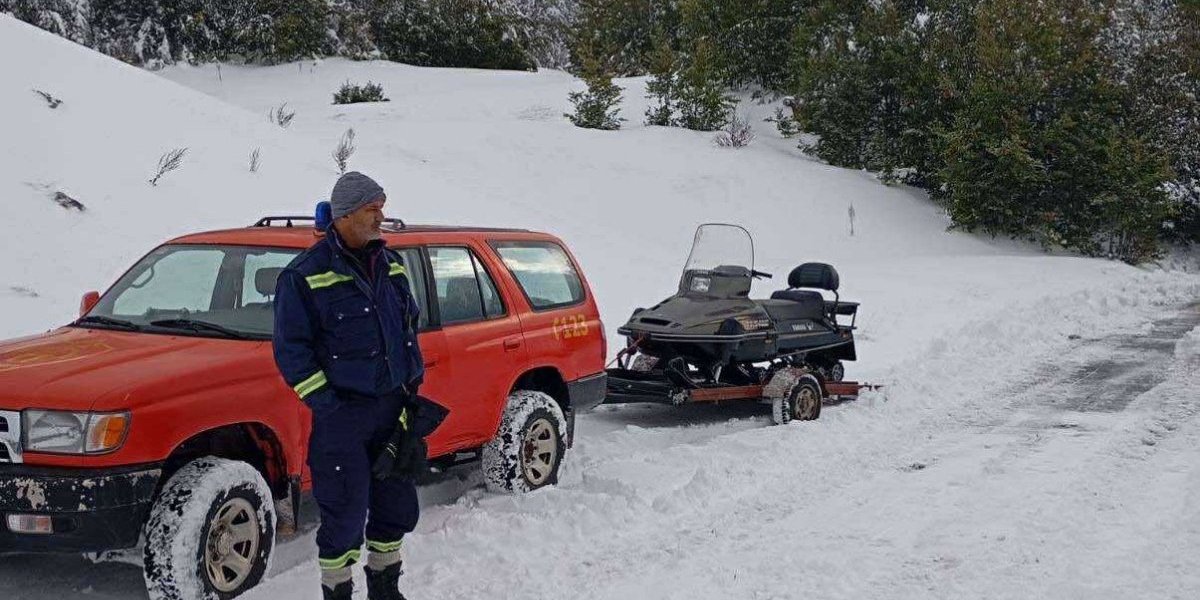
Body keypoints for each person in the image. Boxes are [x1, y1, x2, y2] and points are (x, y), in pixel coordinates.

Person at [273, 172, 443, 600]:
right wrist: (329, 406)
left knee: (395, 509)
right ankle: (338, 593)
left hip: (392, 412)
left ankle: (386, 590)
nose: (381, 217)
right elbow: (292, 351)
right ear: (347, 214)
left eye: (382, 207)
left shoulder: (393, 265)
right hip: (342, 418)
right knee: (344, 516)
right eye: (373, 208)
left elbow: (408, 327)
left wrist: (410, 389)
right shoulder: (304, 275)